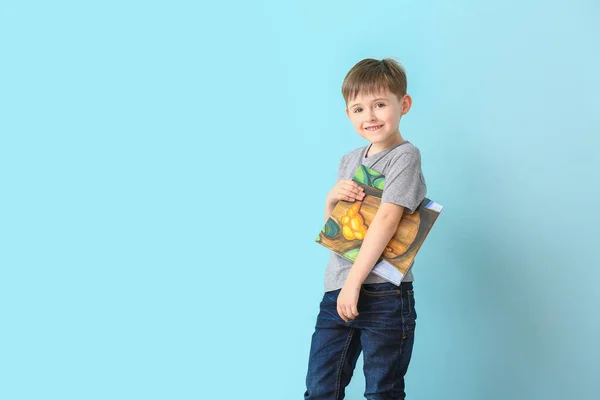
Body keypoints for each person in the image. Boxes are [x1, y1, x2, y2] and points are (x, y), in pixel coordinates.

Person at [304, 58, 427, 400]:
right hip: (338, 288)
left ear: (403, 104)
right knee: (320, 388)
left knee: (382, 391)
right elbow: (341, 232)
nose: (369, 116)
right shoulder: (349, 159)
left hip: (383, 293)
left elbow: (387, 220)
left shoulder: (404, 156)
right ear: (348, 114)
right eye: (358, 109)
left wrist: (354, 284)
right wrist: (331, 200)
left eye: (379, 105)